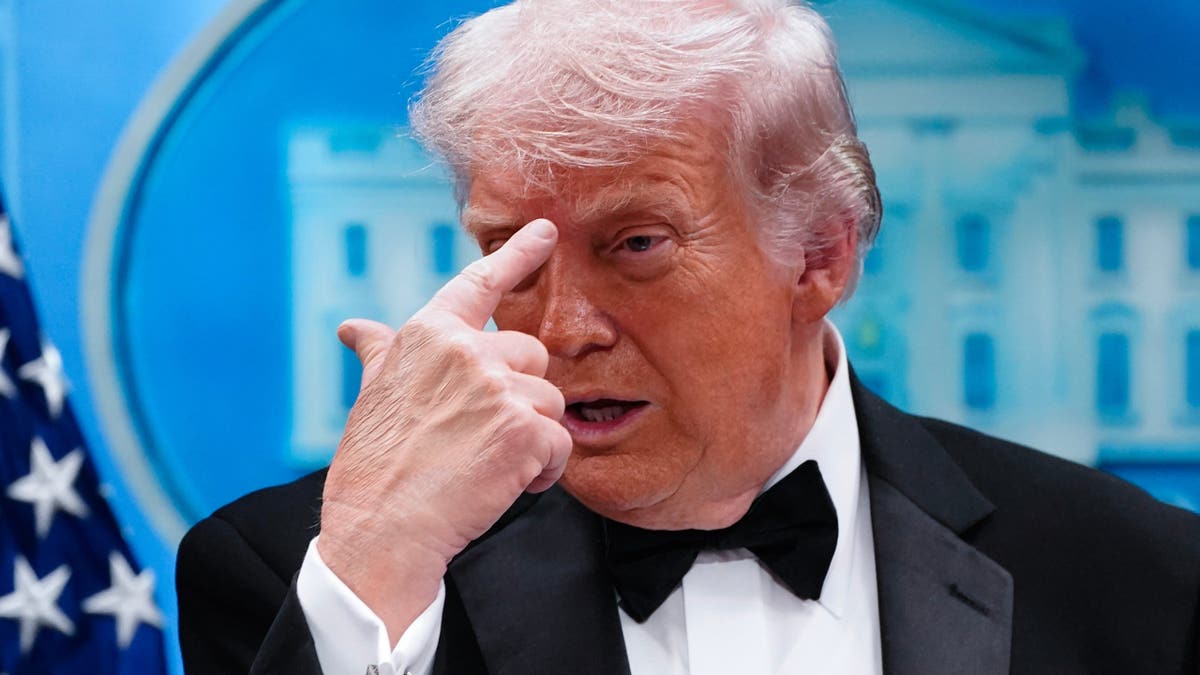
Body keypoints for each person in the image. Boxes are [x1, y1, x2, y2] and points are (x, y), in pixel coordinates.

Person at [176, 1, 1200, 673]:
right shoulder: (303, 575)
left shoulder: (1138, 575)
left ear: (820, 258)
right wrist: (380, 569)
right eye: (515, 254)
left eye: (635, 244)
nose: (561, 329)